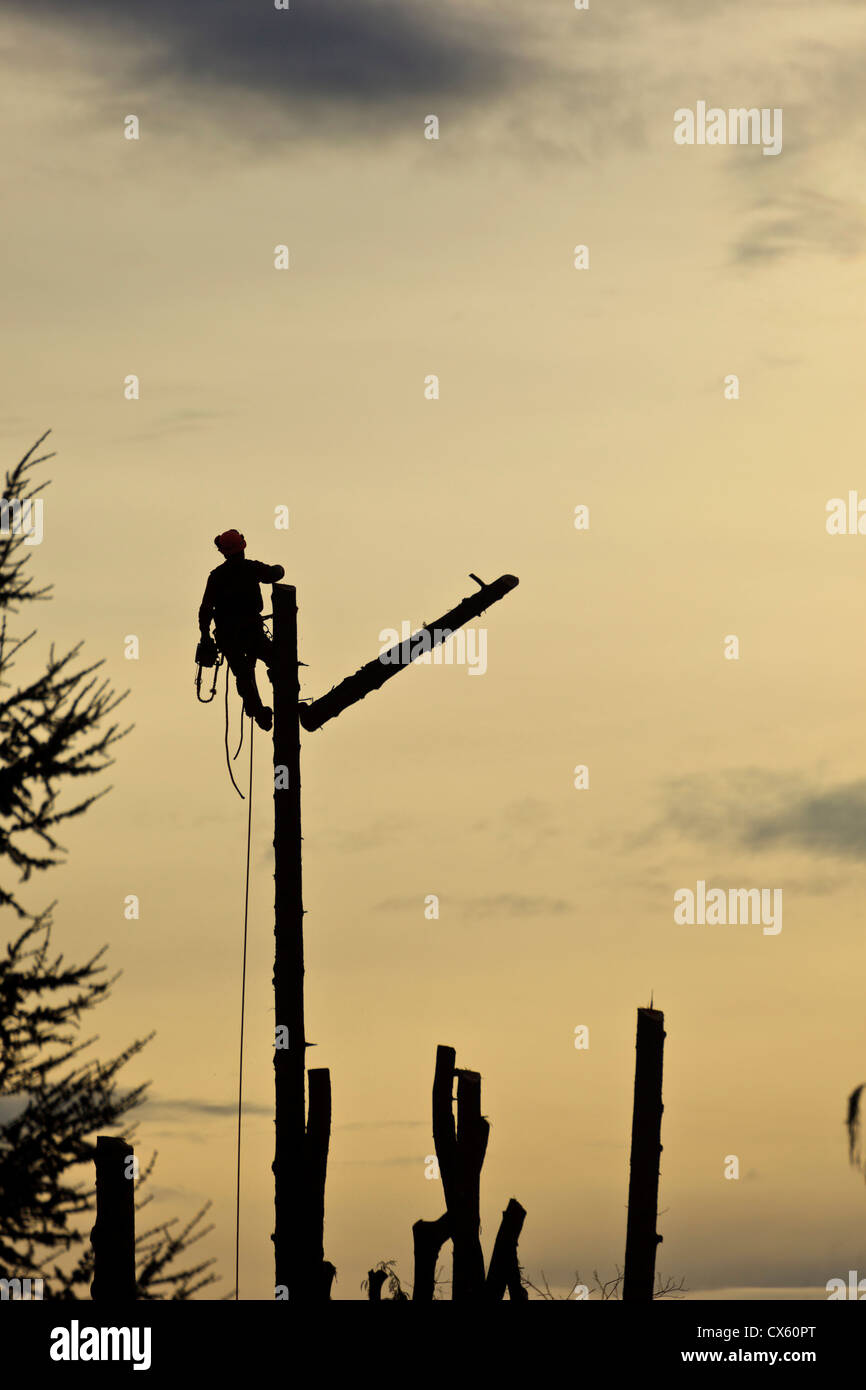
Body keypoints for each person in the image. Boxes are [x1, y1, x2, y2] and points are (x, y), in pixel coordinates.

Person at [198, 530, 284, 730]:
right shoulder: (251, 569)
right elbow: (275, 573)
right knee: (277, 661)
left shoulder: (217, 576)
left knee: (243, 674)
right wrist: (279, 569)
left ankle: (258, 712)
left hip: (229, 637)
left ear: (224, 552)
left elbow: (205, 610)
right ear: (242, 547)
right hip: (251, 632)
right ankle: (282, 693)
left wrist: (205, 636)